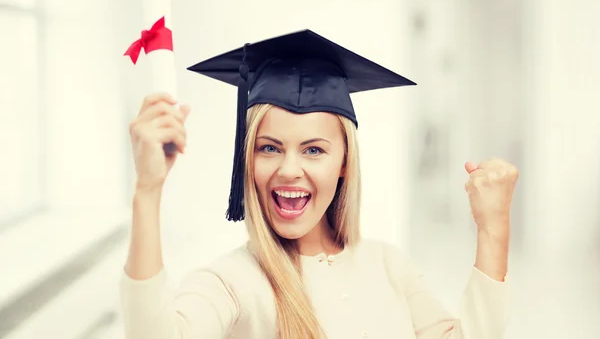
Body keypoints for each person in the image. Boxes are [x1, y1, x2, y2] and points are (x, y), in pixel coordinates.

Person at [120, 29, 517, 339]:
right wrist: (147, 191)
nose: (289, 170)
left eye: (313, 150)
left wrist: (493, 229)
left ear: (345, 162)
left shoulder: (388, 265)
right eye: (269, 148)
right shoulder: (232, 282)